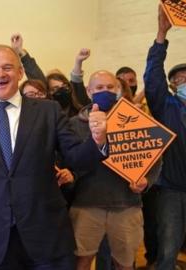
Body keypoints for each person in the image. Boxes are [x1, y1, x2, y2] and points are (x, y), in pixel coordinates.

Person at [0, 45, 108, 270]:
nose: (0, 74)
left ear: (20, 72)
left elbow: (76, 157)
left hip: (44, 232)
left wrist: (98, 140)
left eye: (7, 67)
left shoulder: (48, 111)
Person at [69, 71, 161, 270]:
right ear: (89, 90)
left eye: (110, 87)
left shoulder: (135, 119)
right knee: (82, 260)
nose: (105, 91)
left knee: (125, 263)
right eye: (99, 88)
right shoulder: (75, 124)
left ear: (118, 90)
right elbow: (71, 161)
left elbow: (155, 158)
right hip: (86, 204)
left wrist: (146, 181)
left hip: (127, 205)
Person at [144, 6, 186, 270]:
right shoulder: (166, 105)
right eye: (180, 78)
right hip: (171, 188)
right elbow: (152, 76)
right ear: (172, 85)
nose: (184, 80)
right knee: (169, 245)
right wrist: (161, 34)